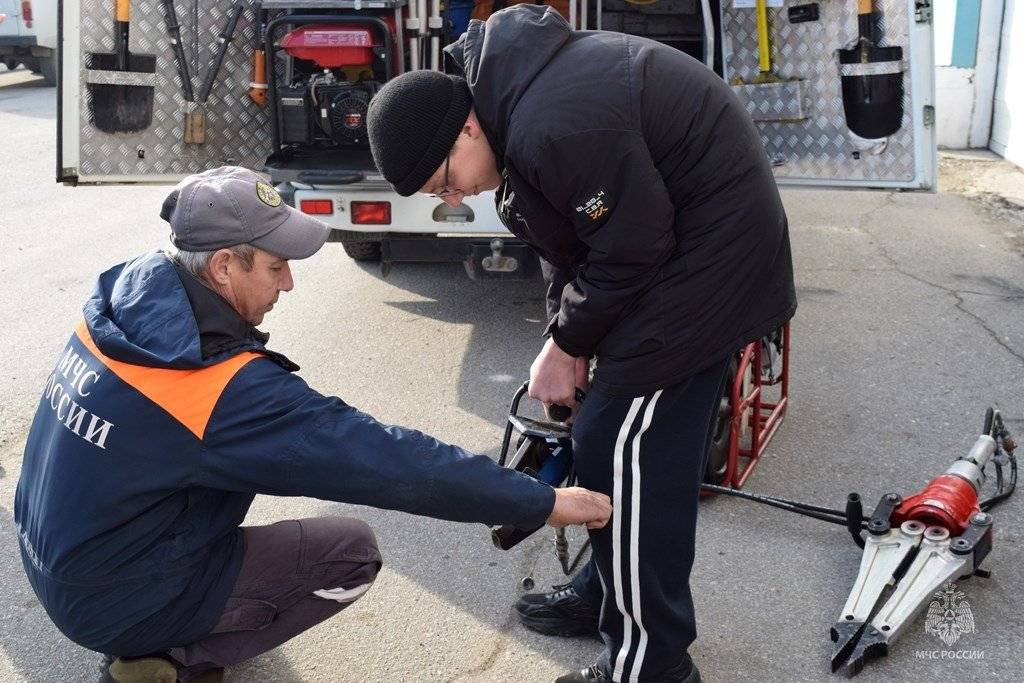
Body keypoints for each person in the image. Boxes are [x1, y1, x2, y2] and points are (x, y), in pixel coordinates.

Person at [13, 166, 612, 683]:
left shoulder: (127, 295)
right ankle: (166, 654)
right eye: (276, 267)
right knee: (348, 552)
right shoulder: (215, 389)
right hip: (109, 601)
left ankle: (156, 617)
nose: (289, 283)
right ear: (222, 266)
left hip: (48, 555)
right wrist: (538, 500)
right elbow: (387, 461)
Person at [365, 6, 797, 682]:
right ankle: (606, 584)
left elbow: (631, 245)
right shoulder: (517, 117)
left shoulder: (551, 123)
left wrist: (569, 344)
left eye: (445, 180)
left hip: (710, 262)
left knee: (622, 444)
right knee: (608, 434)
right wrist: (564, 342)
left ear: (466, 128)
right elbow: (566, 249)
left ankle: (649, 663)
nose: (453, 198)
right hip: (673, 248)